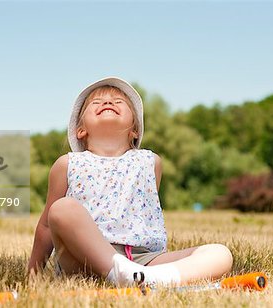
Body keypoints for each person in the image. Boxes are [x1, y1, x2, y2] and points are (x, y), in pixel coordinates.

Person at [27, 77, 233, 286]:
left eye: (118, 102)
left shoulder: (150, 162)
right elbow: (46, 226)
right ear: (81, 130)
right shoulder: (67, 163)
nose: (108, 103)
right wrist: (32, 277)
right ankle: (121, 273)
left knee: (220, 253)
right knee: (61, 209)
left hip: (143, 260)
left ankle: (151, 279)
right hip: (83, 260)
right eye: (96, 103)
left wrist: (143, 269)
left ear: (134, 129)